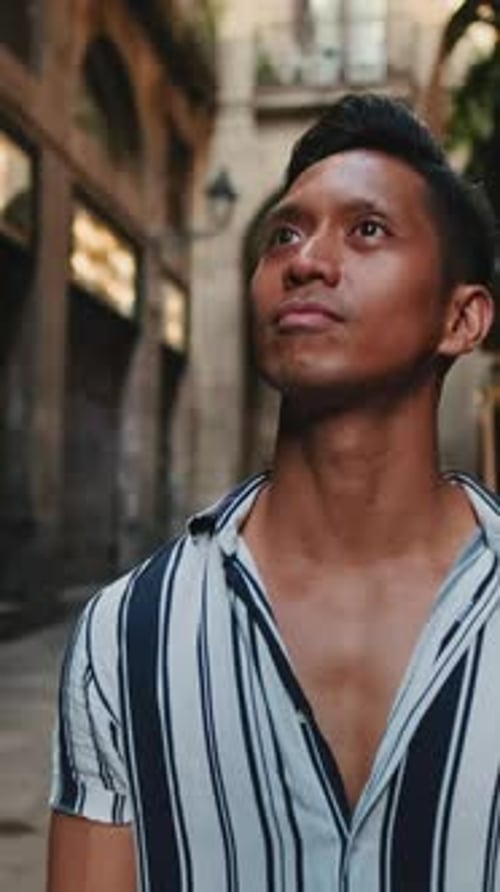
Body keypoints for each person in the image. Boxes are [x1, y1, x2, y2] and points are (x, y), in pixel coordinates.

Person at [47, 93, 500, 892]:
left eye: (368, 230)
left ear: (461, 320)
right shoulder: (126, 636)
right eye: (284, 233)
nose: (306, 260)